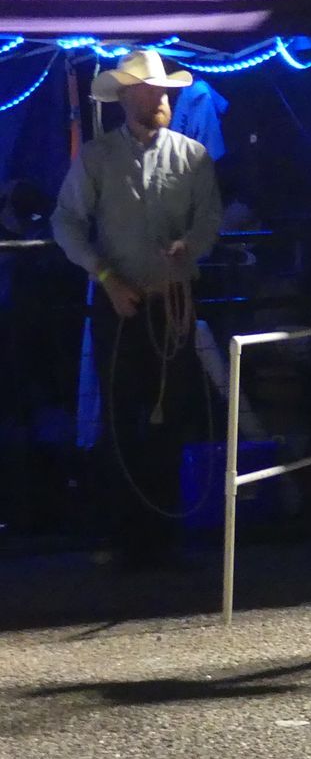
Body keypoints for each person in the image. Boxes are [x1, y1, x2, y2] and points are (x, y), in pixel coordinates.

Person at [52, 49, 222, 570]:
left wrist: (189, 246)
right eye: (151, 91)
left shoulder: (192, 156)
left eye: (164, 91)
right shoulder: (98, 159)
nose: (163, 98)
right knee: (122, 419)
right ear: (128, 97)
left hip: (171, 306)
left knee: (172, 417)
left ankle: (164, 535)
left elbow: (209, 220)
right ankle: (127, 537)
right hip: (122, 306)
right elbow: (66, 223)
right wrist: (106, 278)